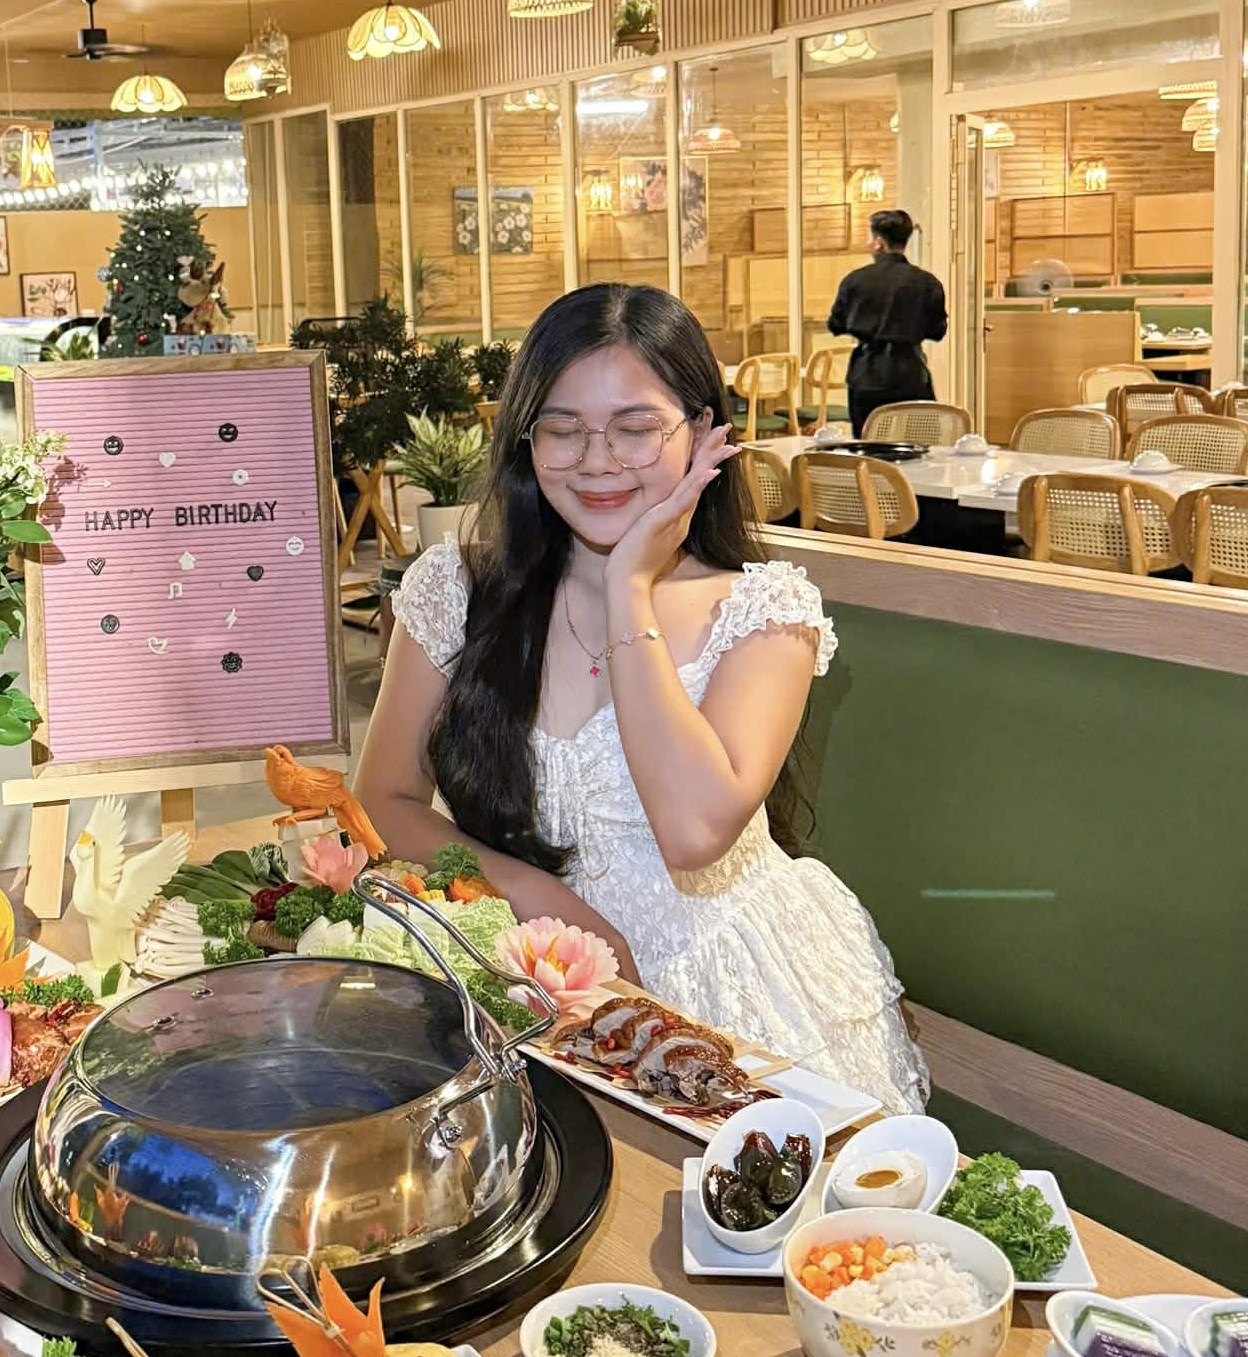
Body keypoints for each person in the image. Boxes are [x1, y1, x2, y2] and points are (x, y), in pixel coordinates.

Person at [355, 283, 928, 1115]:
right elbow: (383, 799)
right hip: (524, 974)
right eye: (563, 428)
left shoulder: (764, 611)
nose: (598, 461)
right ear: (524, 437)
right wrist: (541, 900)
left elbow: (692, 833)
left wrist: (630, 587)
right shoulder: (458, 588)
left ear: (702, 432)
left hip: (726, 992)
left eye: (635, 428)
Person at [827, 208, 947, 436]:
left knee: (867, 443)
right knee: (917, 442)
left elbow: (836, 324)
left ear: (879, 243)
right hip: (911, 372)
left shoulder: (855, 281)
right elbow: (938, 331)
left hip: (866, 374)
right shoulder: (928, 283)